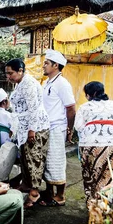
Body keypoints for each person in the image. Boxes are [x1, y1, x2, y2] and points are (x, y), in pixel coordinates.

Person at [5, 58, 51, 208]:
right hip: (23, 126)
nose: (8, 77)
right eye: (6, 74)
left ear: (20, 71)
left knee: (34, 158)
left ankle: (34, 192)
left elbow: (33, 108)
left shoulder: (29, 84)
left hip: (36, 126)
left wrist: (32, 130)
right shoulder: (19, 84)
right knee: (25, 157)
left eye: (10, 73)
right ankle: (25, 184)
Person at [75, 81, 113, 203]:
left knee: (91, 176)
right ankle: (106, 206)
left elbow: (78, 126)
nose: (86, 97)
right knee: (110, 175)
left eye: (87, 94)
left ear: (92, 94)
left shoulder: (84, 107)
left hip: (90, 145)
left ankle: (93, 205)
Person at [42, 50, 76, 206]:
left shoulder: (63, 84)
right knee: (47, 161)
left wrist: (70, 129)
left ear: (56, 65)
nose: (44, 65)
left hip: (57, 127)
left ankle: (60, 196)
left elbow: (71, 108)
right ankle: (49, 195)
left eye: (47, 63)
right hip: (46, 127)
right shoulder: (46, 83)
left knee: (57, 160)